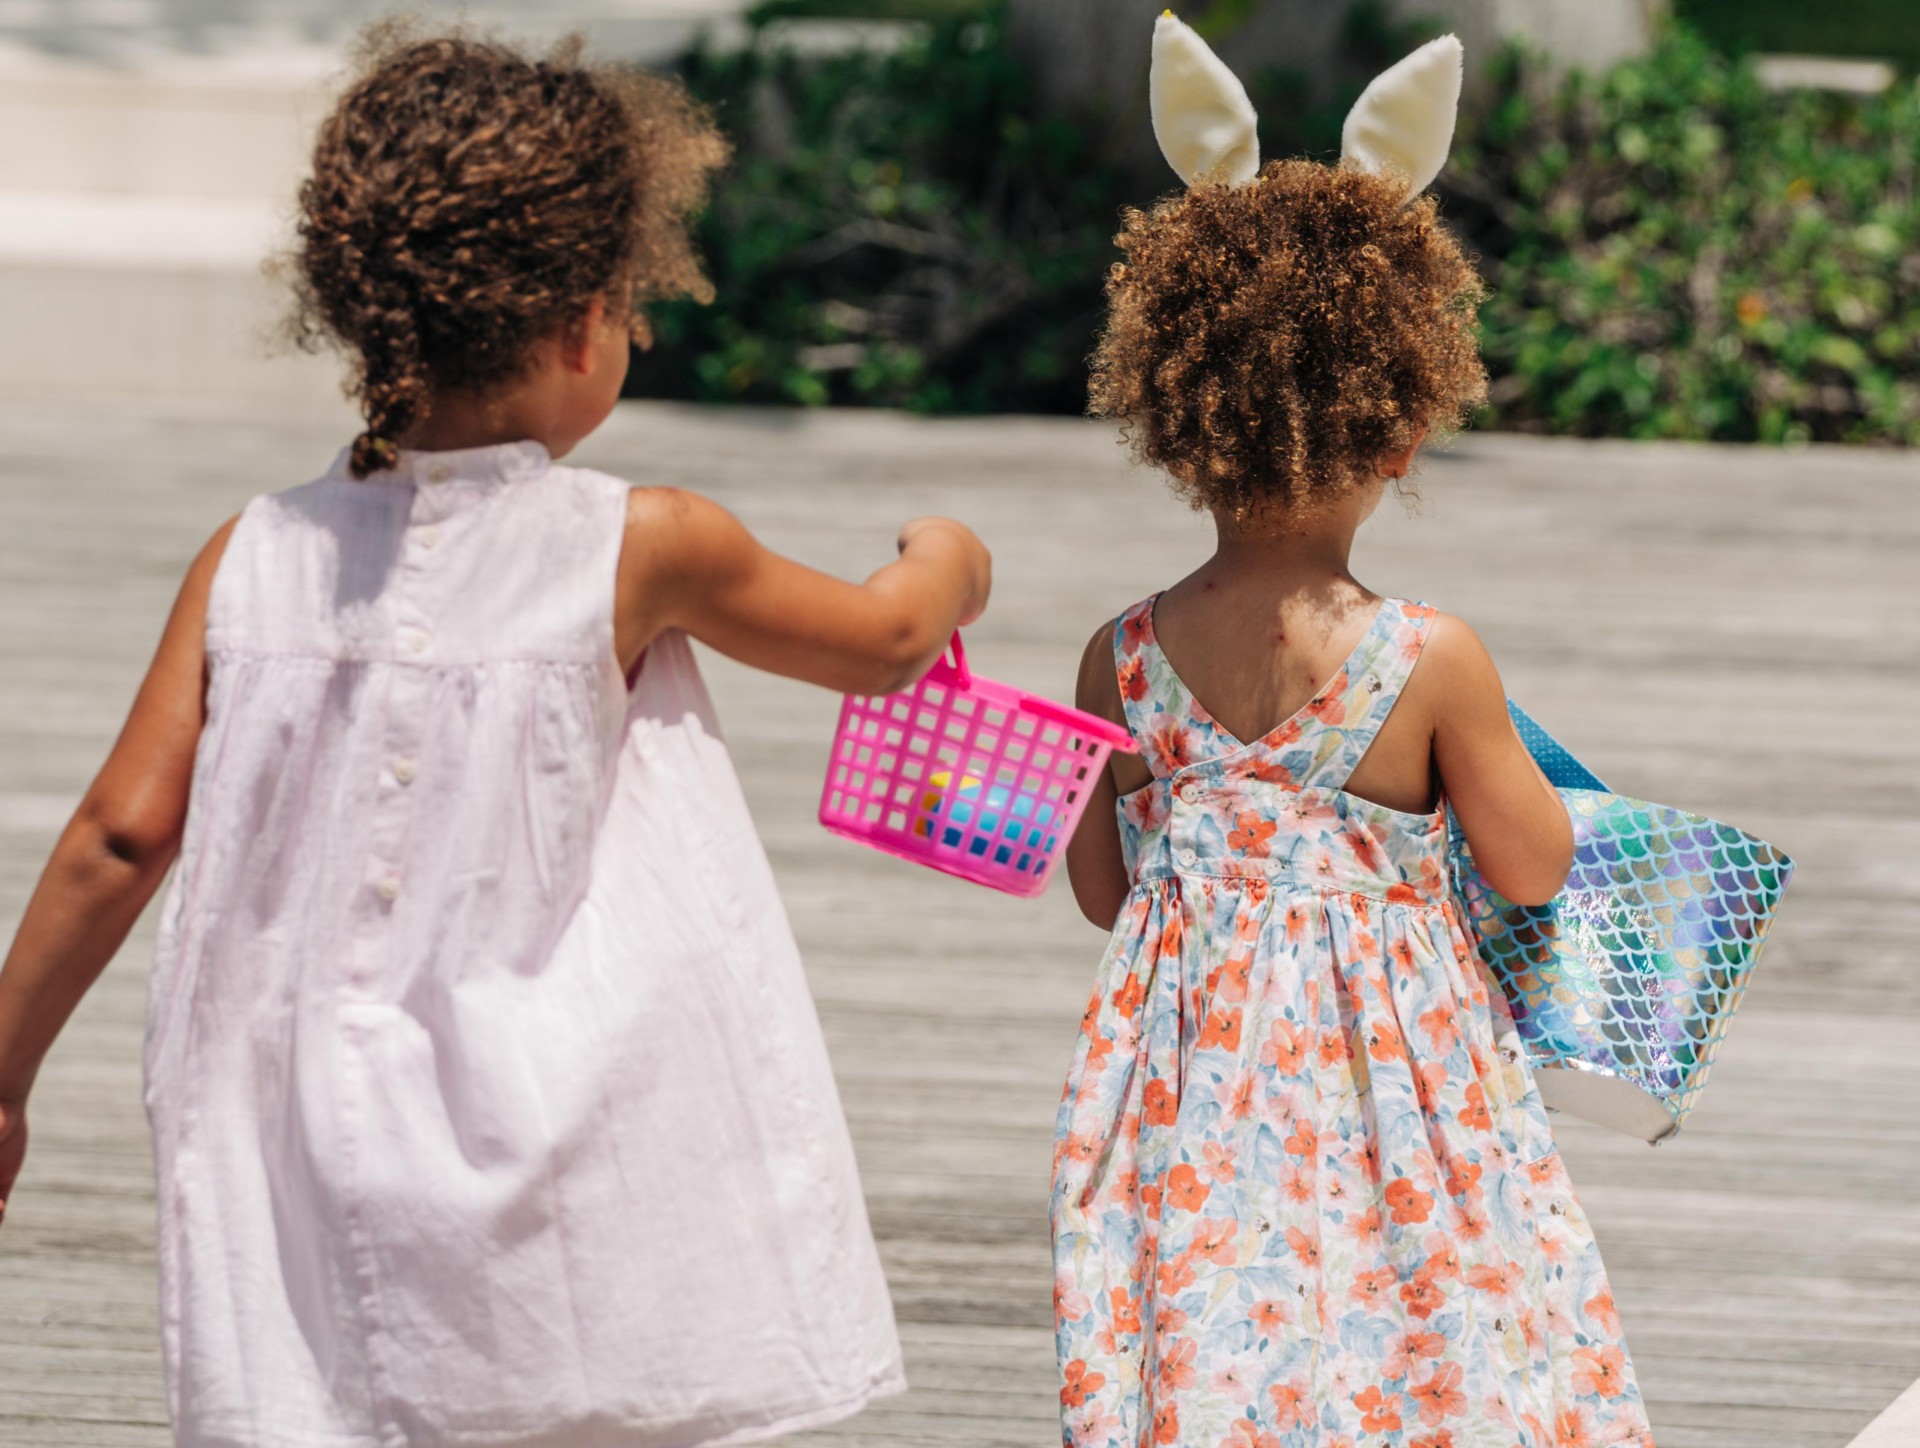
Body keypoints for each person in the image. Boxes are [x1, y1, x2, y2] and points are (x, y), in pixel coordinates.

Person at [0, 28, 989, 1448]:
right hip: (553, 1137)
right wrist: (948, 552)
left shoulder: (255, 554)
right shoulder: (640, 545)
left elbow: (121, 833)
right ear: (586, 323)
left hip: (303, 1130)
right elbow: (887, 642)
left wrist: (4, 1074)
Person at [1050, 18, 1652, 1448]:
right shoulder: (1427, 659)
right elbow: (1529, 866)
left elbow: (1103, 889)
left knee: (1208, 1305)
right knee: (1420, 1300)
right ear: (1399, 435)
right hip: (1403, 1083)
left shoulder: (1121, 656)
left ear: (1178, 428)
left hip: (1187, 1088)